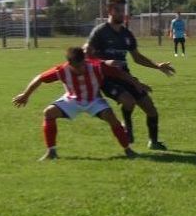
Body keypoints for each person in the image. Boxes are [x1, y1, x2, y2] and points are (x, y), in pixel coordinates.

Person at [12, 46, 142, 161]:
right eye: (76, 67)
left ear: (85, 60)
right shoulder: (61, 70)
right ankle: (51, 152)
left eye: (82, 65)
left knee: (111, 117)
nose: (80, 69)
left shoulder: (97, 67)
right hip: (72, 100)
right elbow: (40, 78)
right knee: (48, 113)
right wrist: (25, 95)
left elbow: (121, 74)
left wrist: (137, 84)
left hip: (93, 100)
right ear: (69, 63)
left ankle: (128, 150)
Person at [87, 0, 175, 150]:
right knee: (128, 101)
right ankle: (128, 129)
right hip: (106, 78)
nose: (121, 13)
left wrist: (158, 65)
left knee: (151, 109)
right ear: (109, 10)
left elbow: (137, 57)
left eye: (123, 10)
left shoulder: (126, 34)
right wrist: (104, 63)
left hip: (125, 77)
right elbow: (87, 55)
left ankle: (153, 142)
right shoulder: (100, 32)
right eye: (118, 10)